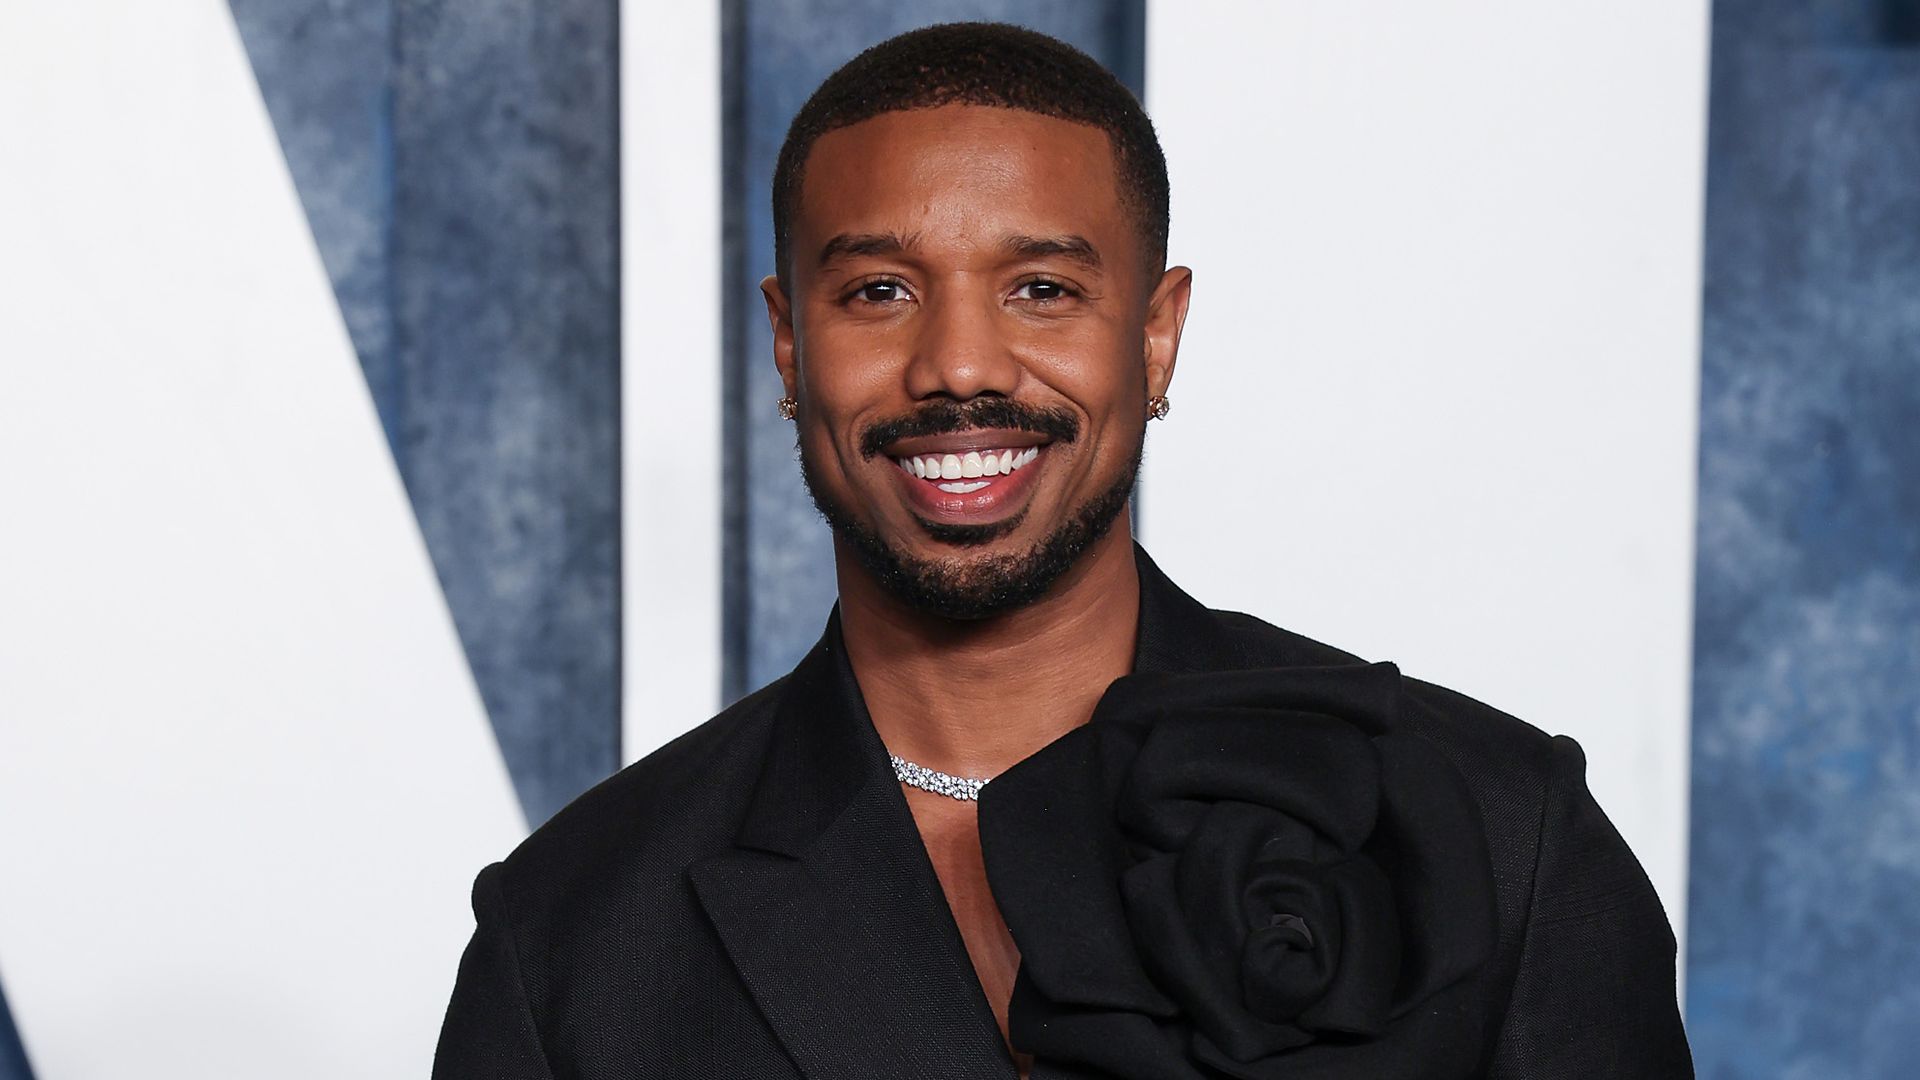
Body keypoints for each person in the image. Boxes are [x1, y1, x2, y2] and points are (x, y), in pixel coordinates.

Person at [433, 22, 1692, 1079]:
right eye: (879, 291)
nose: (960, 366)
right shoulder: (577, 940)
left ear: (1154, 339)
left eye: (1041, 289)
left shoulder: (1495, 832)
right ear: (786, 346)